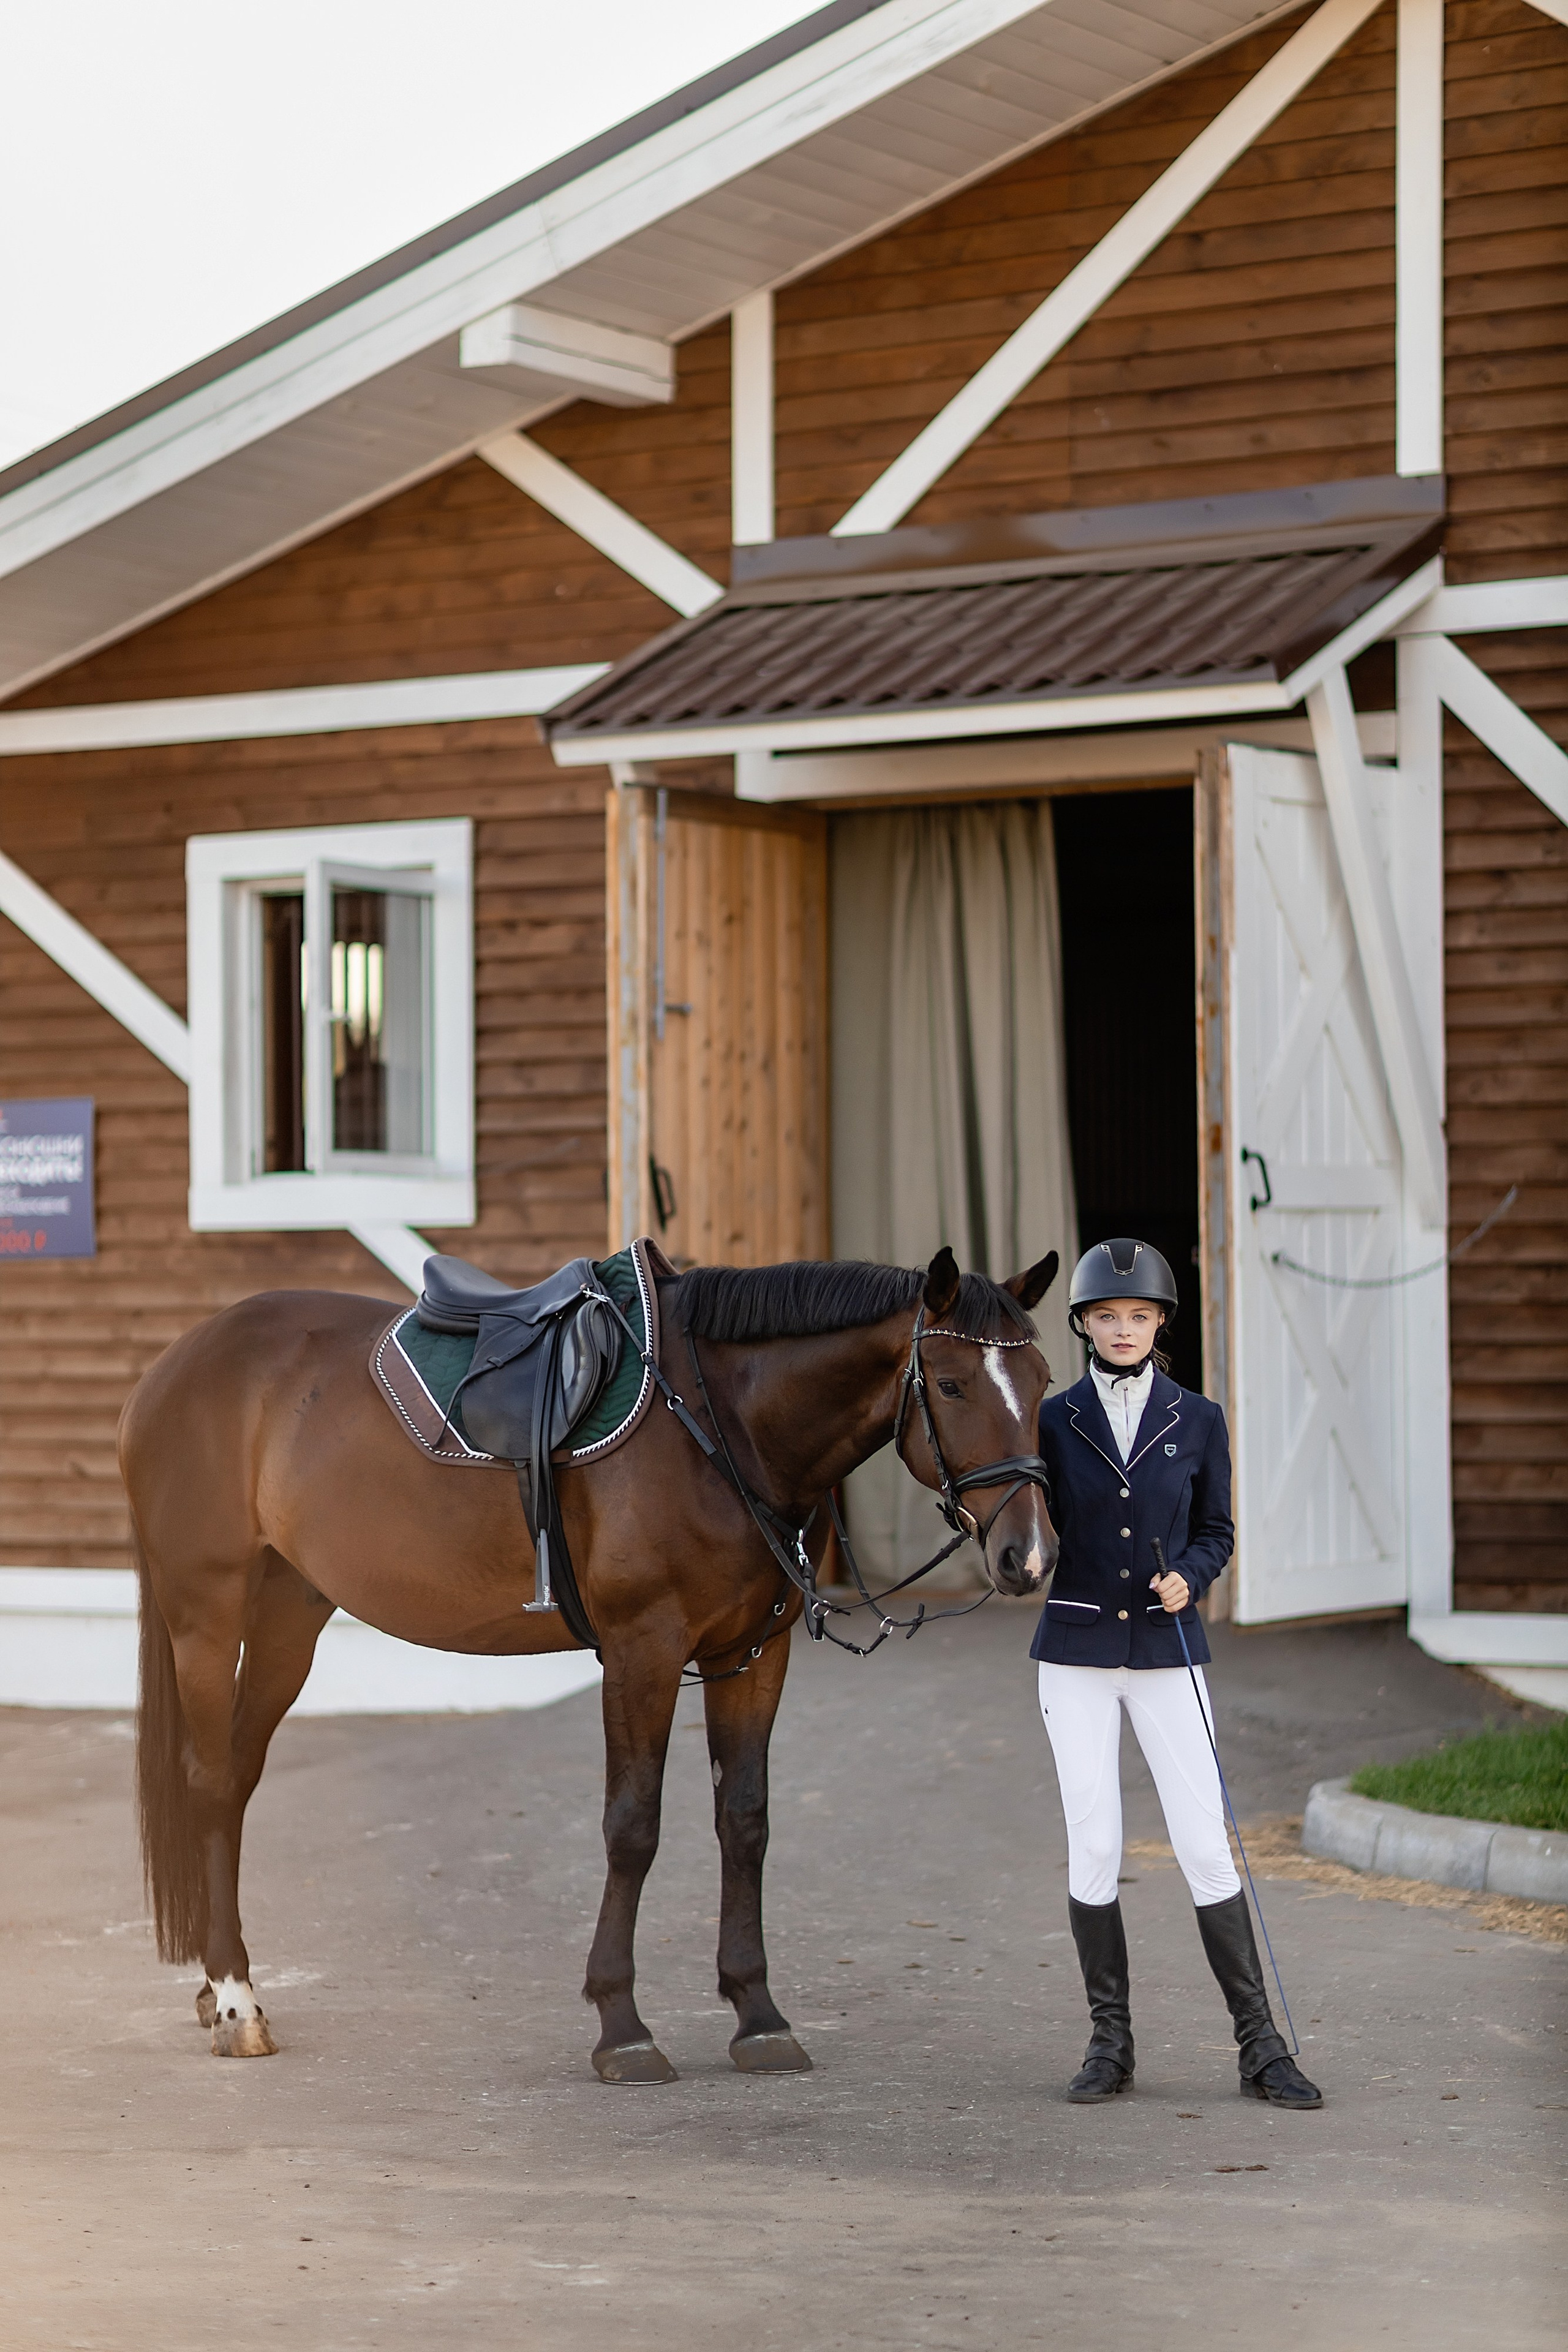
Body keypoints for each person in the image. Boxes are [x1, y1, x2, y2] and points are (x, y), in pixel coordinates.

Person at [1031, 1237, 1322, 2110]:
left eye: (1140, 1316)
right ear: (1083, 1324)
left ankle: (1260, 2045)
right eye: (1108, 1316)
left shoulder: (1198, 1419)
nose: (1124, 1330)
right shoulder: (1048, 1419)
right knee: (1096, 1842)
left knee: (1202, 1842)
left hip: (1167, 1651)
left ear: (1162, 1323)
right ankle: (1109, 2042)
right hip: (1076, 1653)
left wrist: (1191, 1575)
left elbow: (1218, 1530)